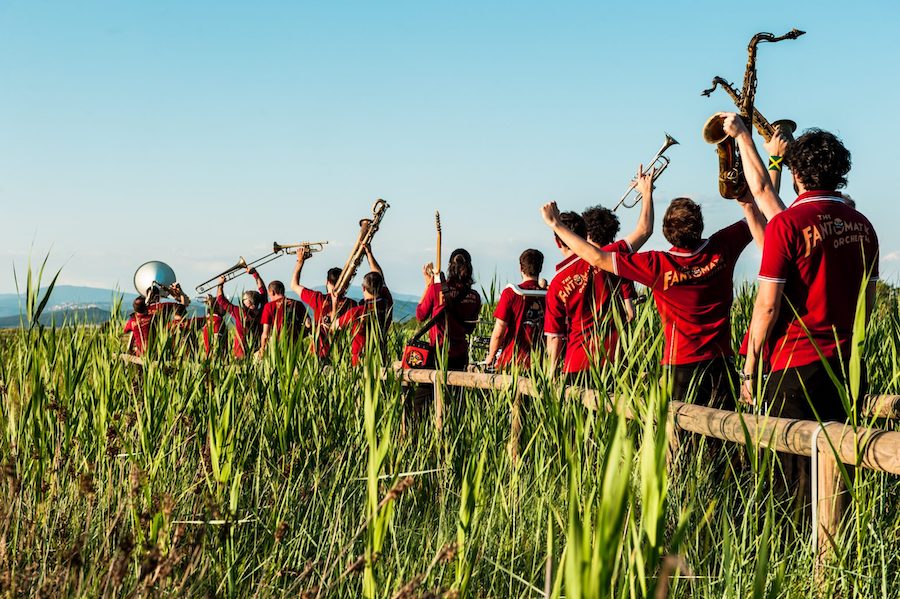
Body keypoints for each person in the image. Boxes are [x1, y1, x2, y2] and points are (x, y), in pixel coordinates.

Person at [540, 170, 772, 406]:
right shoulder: (722, 246)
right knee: (725, 437)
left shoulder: (657, 265)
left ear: (667, 232)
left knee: (682, 440)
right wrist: (772, 160)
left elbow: (597, 258)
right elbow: (761, 203)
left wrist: (556, 224)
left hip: (678, 367)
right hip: (720, 363)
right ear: (700, 224)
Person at [728, 113, 880, 423]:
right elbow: (869, 302)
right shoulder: (864, 225)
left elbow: (767, 307)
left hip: (796, 367)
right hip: (847, 366)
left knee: (794, 467)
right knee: (840, 463)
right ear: (840, 173)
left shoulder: (788, 225)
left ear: (795, 172)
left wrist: (749, 369)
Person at [543, 166, 655, 379]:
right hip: (615, 362)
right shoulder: (612, 257)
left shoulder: (557, 281)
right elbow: (645, 230)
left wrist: (550, 377)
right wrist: (646, 193)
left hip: (577, 364)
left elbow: (554, 338)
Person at [484, 249, 546, 370]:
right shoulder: (548, 295)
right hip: (540, 365)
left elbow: (499, 332)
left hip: (511, 362)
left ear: (520, 268)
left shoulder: (511, 293)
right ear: (540, 268)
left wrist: (491, 356)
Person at [290, 250, 359, 358]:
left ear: (327, 282)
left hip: (319, 352)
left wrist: (300, 261)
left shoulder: (318, 298)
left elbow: (294, 285)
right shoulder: (352, 304)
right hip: (342, 354)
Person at [582, 205, 638, 322]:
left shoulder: (580, 263)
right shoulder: (619, 261)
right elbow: (630, 312)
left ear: (587, 233)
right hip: (614, 330)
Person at [332, 269, 393, 366]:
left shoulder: (357, 312)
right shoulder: (387, 305)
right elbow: (379, 275)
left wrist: (334, 303)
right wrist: (369, 254)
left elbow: (334, 326)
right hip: (380, 361)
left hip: (360, 364)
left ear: (363, 288)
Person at [216, 266, 268, 358]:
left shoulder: (239, 312)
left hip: (241, 352)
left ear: (249, 303)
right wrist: (256, 274)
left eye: (244, 299)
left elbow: (221, 300)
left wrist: (220, 285)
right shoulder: (263, 309)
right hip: (259, 350)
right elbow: (263, 291)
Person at [256, 280, 307, 357]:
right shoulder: (298, 304)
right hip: (297, 347)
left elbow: (265, 334)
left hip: (278, 348)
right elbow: (308, 324)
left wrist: (262, 348)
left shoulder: (269, 307)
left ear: (272, 292)